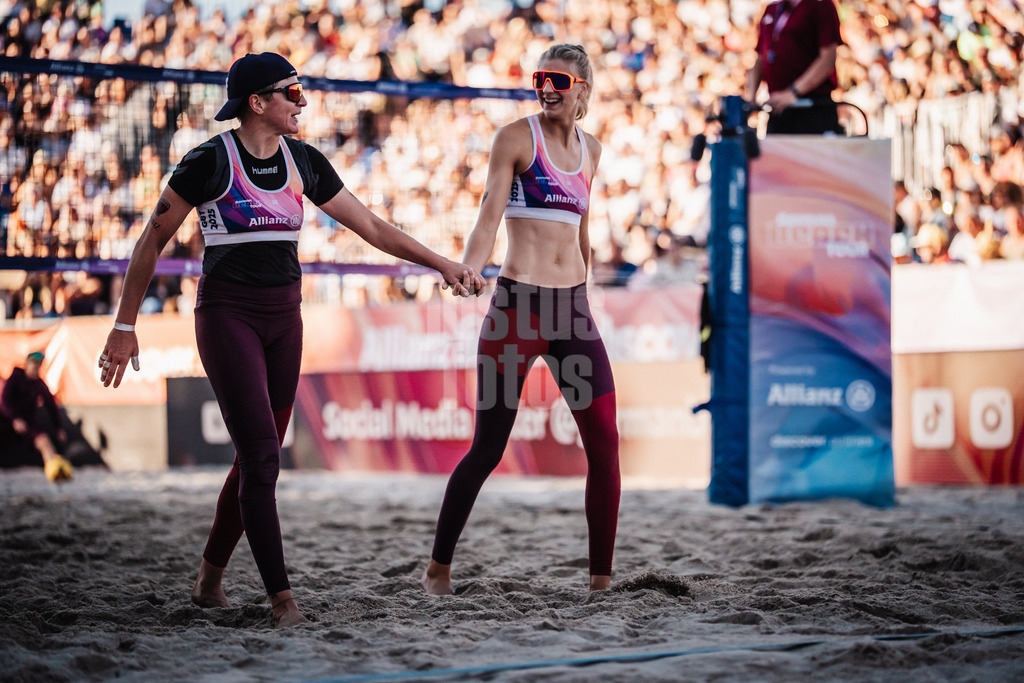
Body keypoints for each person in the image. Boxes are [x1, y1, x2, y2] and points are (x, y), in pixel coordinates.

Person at [97, 52, 484, 628]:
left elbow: (372, 227)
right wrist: (125, 326)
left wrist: (441, 263)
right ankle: (284, 603)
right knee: (262, 459)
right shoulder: (208, 162)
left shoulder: (303, 160)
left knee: (258, 458)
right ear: (258, 102)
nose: (303, 102)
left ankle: (208, 579)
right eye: (293, 92)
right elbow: (149, 244)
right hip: (228, 317)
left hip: (286, 319)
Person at [422, 44, 620, 596]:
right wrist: (468, 266)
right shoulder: (515, 137)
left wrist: (589, 286)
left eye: (558, 79)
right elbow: (488, 214)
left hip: (573, 312)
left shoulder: (593, 150)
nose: (547, 87)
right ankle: (438, 568)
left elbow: (582, 229)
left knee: (604, 443)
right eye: (540, 78)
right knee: (488, 448)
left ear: (582, 87)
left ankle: (600, 584)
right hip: (517, 308)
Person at [747, 0, 844, 135]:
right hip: (778, 107)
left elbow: (827, 59)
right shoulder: (772, 9)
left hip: (811, 106)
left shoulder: (821, 5)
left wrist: (793, 92)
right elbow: (760, 58)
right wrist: (751, 96)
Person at [0, 351, 72, 482]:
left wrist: (59, 428)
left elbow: (51, 406)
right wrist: (14, 418)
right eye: (34, 364)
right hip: (6, 420)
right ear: (27, 364)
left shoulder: (39, 384)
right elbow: (4, 401)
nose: (36, 368)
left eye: (38, 365)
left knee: (44, 442)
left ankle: (55, 472)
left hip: (28, 422)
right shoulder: (15, 378)